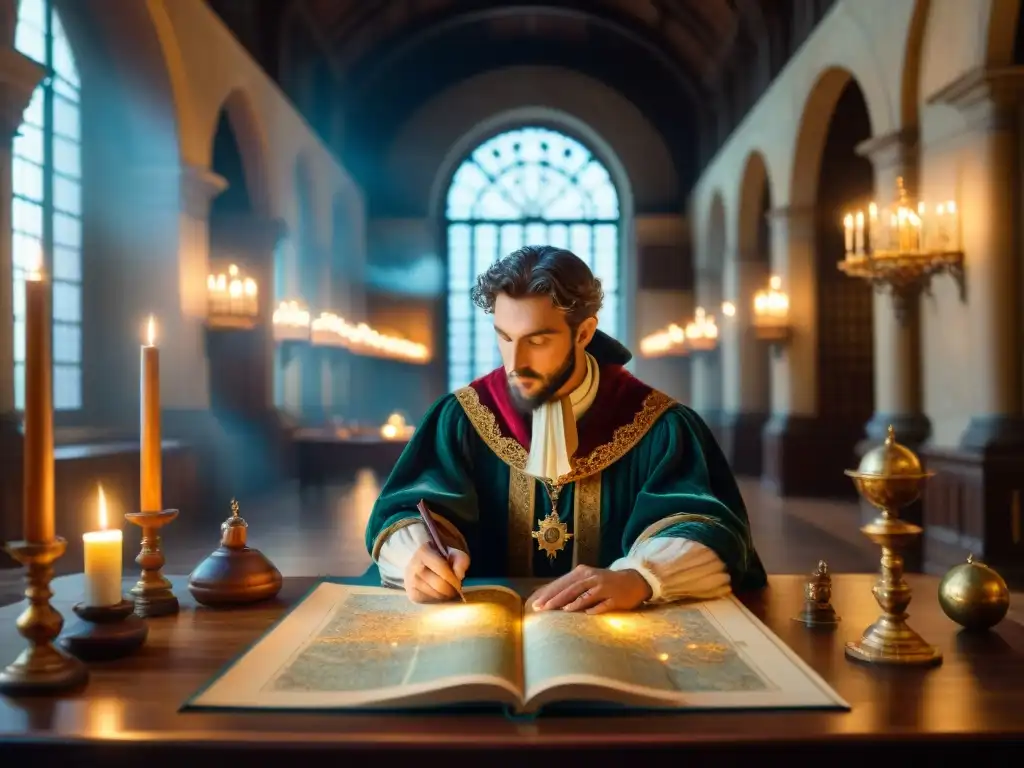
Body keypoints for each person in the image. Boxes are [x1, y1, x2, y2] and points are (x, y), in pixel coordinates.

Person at [364, 245, 767, 614]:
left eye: (537, 341)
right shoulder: (461, 419)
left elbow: (713, 529)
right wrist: (417, 559)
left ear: (585, 333)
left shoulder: (660, 427)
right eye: (505, 337)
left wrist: (641, 577)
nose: (515, 362)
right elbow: (400, 513)